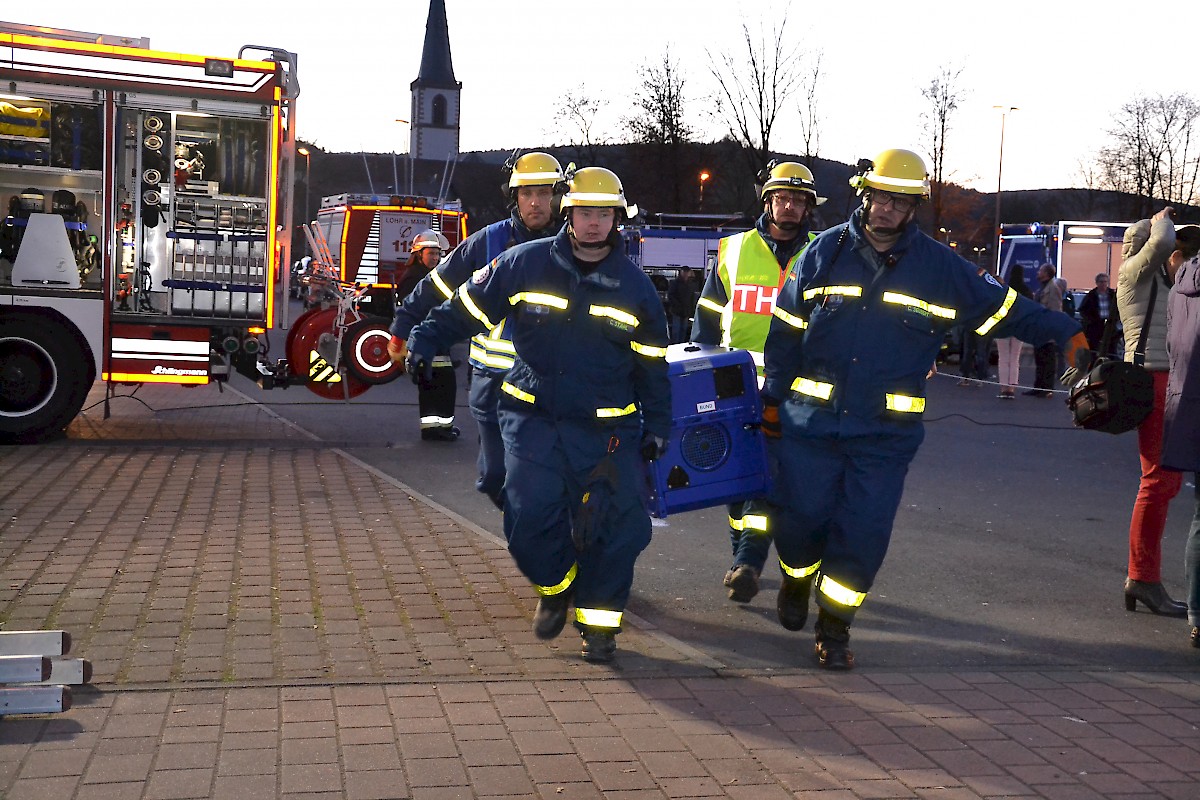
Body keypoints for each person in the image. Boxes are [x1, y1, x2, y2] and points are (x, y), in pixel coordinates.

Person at [762, 149, 1084, 670]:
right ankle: (796, 579)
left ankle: (835, 625)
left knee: (864, 533)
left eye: (900, 200)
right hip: (811, 426)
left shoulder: (940, 267)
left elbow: (1006, 309)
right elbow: (784, 336)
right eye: (880, 196)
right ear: (864, 195)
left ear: (914, 206)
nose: (887, 207)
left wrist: (1068, 335)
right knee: (799, 522)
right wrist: (773, 401)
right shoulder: (821, 254)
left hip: (884, 435)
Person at [405, 167, 670, 663]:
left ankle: (599, 627)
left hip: (609, 428)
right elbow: (465, 308)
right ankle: (556, 585)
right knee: (527, 515)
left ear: (617, 220)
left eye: (604, 214)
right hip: (533, 418)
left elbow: (653, 364)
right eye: (585, 213)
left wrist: (658, 426)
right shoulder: (522, 264)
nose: (594, 224)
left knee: (620, 528)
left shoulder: (637, 289)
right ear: (569, 214)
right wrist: (422, 340)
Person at [388, 153, 566, 502]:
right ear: (513, 197)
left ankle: (546, 544)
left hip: (551, 384)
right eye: (526, 193)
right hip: (494, 383)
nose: (535, 202)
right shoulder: (488, 242)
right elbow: (436, 286)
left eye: (544, 193)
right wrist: (403, 327)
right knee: (496, 476)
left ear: (559, 196)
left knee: (543, 480)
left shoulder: (573, 247)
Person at [692, 161, 821, 603]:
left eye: (798, 201)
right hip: (734, 385)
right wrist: (697, 375)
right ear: (767, 202)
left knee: (766, 479)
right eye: (782, 198)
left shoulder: (822, 254)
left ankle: (748, 560)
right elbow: (706, 320)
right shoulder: (733, 251)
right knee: (734, 482)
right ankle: (741, 560)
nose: (789, 207)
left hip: (796, 390)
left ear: (808, 208)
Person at [1116, 209, 1200, 617]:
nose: (1178, 251)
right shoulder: (1134, 274)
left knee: (1162, 483)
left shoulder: (1168, 282)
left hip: (1170, 381)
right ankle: (1142, 577)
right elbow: (1163, 242)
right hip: (1153, 381)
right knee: (1159, 483)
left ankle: (1142, 577)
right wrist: (1162, 218)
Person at [1160, 230, 1200, 646]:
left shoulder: (1178, 291)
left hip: (1189, 405)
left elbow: (1175, 347)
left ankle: (1198, 614)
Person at [392, 230, 458, 440]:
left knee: (440, 384)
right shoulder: (414, 278)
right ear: (419, 254)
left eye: (438, 255)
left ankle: (439, 427)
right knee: (437, 385)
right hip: (426, 340)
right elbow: (413, 310)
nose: (436, 258)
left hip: (435, 338)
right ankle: (435, 429)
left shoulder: (427, 275)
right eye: (431, 254)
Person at [994, 266, 1033, 399]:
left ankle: (1003, 387)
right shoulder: (1026, 291)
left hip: (1003, 327)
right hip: (1019, 327)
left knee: (1003, 357)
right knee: (1015, 358)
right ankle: (1012, 387)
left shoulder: (1005, 289)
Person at [1023, 263, 1062, 397]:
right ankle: (1038, 387)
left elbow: (1054, 309)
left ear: (1046, 273)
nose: (1037, 273)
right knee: (1039, 358)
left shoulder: (1053, 288)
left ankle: (1046, 388)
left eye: (1040, 271)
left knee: (1048, 358)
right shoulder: (1042, 288)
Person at [1078, 272, 1119, 355]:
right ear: (1097, 283)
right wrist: (1090, 320)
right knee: (1094, 347)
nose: (1103, 284)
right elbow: (1083, 310)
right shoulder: (1091, 295)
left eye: (1105, 282)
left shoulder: (1113, 295)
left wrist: (1116, 319)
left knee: (1111, 346)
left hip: (1110, 325)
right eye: (1101, 282)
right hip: (1095, 325)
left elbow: (1119, 308)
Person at [666, 267, 700, 343]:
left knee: (683, 331)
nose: (685, 274)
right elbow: (670, 295)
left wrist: (691, 309)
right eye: (684, 272)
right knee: (677, 331)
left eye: (686, 272)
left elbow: (691, 297)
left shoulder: (690, 284)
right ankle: (675, 346)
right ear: (681, 272)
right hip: (677, 311)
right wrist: (677, 305)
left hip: (685, 311)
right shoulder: (675, 283)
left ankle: (680, 346)